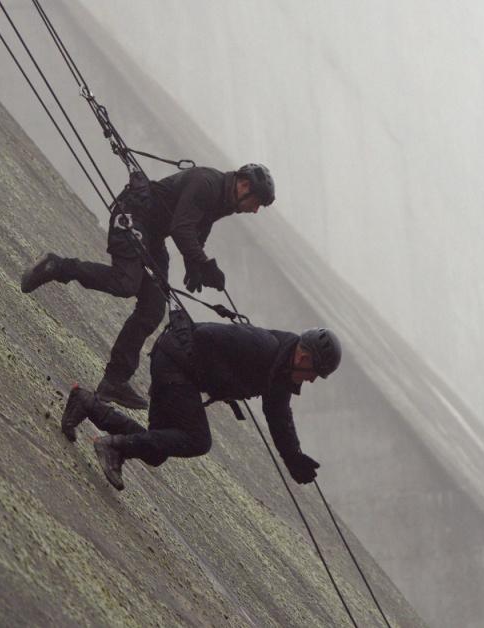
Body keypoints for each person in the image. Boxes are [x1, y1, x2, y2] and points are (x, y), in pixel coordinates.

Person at [20, 164, 276, 410]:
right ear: (244, 185)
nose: (255, 210)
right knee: (125, 282)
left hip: (152, 233)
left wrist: (195, 267)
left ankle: (114, 380)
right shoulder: (207, 184)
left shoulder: (224, 198)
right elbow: (181, 228)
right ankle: (56, 266)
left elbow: (198, 229)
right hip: (133, 214)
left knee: (153, 307)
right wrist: (204, 264)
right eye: (257, 203)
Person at [58, 323, 342, 491]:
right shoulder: (265, 346)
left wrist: (293, 458)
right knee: (198, 440)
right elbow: (204, 336)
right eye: (315, 372)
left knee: (156, 449)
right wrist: (221, 380)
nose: (313, 380)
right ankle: (113, 446)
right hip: (175, 363)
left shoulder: (280, 371)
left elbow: (279, 416)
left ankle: (87, 403)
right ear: (304, 357)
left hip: (178, 368)